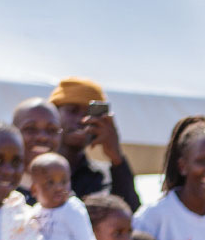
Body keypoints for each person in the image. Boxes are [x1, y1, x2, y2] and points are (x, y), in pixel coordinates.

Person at [50, 78, 139, 208]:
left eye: (89, 114)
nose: (82, 120)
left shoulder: (103, 178)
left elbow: (131, 213)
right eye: (73, 111)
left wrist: (116, 157)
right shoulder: (32, 170)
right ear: (54, 114)